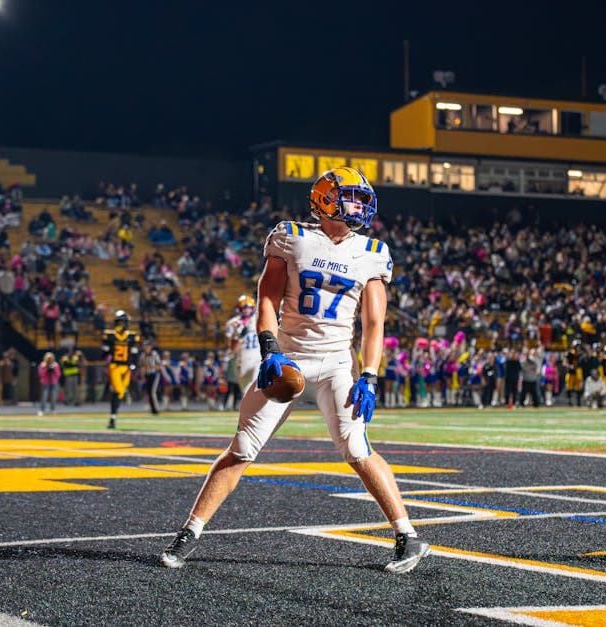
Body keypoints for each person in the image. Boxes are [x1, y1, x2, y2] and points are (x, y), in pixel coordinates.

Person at [160, 167, 430, 574]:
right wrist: (270, 351)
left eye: (361, 198)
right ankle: (189, 533)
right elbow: (265, 300)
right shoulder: (292, 236)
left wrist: (369, 374)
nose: (359, 206)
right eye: (351, 197)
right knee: (242, 449)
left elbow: (374, 325)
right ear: (325, 199)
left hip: (338, 364)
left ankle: (408, 536)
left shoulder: (373, 250)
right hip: (288, 359)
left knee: (357, 449)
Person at [102, 309, 140, 428]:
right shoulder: (110, 335)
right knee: (119, 391)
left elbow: (134, 353)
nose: (121, 325)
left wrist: (134, 365)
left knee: (120, 393)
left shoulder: (132, 336)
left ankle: (113, 417)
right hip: (115, 367)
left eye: (123, 322)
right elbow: (104, 353)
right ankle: (113, 417)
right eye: (120, 322)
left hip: (126, 367)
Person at [225, 294, 261, 407]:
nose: (246, 310)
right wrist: (238, 335)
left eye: (249, 307)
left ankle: (259, 410)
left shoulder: (258, 320)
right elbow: (231, 347)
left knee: (257, 386)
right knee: (245, 391)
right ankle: (250, 410)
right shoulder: (233, 323)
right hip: (242, 359)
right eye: (244, 308)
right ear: (239, 309)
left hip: (257, 358)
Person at [141, 344, 161, 415]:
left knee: (152, 392)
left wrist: (151, 367)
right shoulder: (143, 355)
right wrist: (142, 375)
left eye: (147, 347)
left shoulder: (154, 355)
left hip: (154, 375)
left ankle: (156, 409)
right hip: (147, 375)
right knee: (149, 392)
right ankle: (153, 408)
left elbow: (159, 366)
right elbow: (142, 366)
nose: (146, 348)